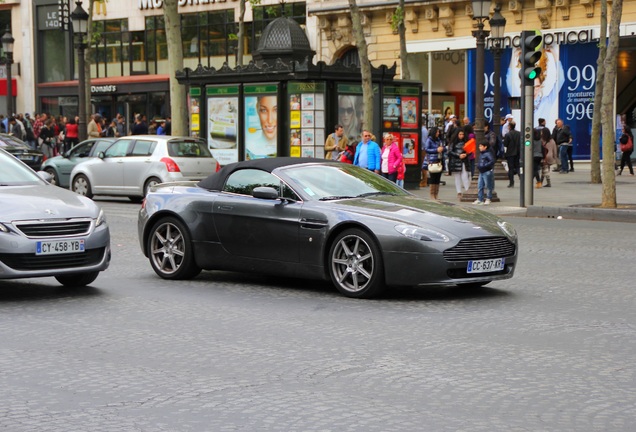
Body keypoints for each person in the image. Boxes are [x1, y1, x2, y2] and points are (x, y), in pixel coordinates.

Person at [447, 128, 471, 200]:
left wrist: (466, 154)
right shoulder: (453, 142)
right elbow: (450, 151)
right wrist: (458, 155)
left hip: (463, 160)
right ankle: (459, 192)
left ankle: (467, 190)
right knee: (457, 177)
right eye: (460, 134)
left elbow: (469, 150)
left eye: (462, 134)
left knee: (465, 176)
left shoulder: (465, 141)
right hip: (456, 160)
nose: (461, 136)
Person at [424, 126, 445, 200]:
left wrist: (443, 148)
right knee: (433, 178)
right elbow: (426, 149)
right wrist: (436, 150)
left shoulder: (439, 140)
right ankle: (432, 194)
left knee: (437, 178)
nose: (438, 133)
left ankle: (436, 194)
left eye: (439, 132)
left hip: (439, 160)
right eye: (437, 132)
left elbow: (443, 147)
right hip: (432, 160)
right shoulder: (429, 140)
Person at [473, 141, 495, 205]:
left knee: (488, 185)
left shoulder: (487, 154)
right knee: (480, 186)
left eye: (481, 146)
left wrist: (484, 165)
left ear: (485, 147)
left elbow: (492, 161)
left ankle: (488, 198)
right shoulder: (482, 154)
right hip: (482, 171)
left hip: (486, 171)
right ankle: (480, 199)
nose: (479, 147)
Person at [504, 121, 521, 187]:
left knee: (510, 168)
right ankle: (521, 178)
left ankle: (511, 182)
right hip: (518, 152)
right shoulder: (519, 134)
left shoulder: (507, 135)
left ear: (509, 127)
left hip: (510, 153)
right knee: (518, 166)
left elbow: (505, 144)